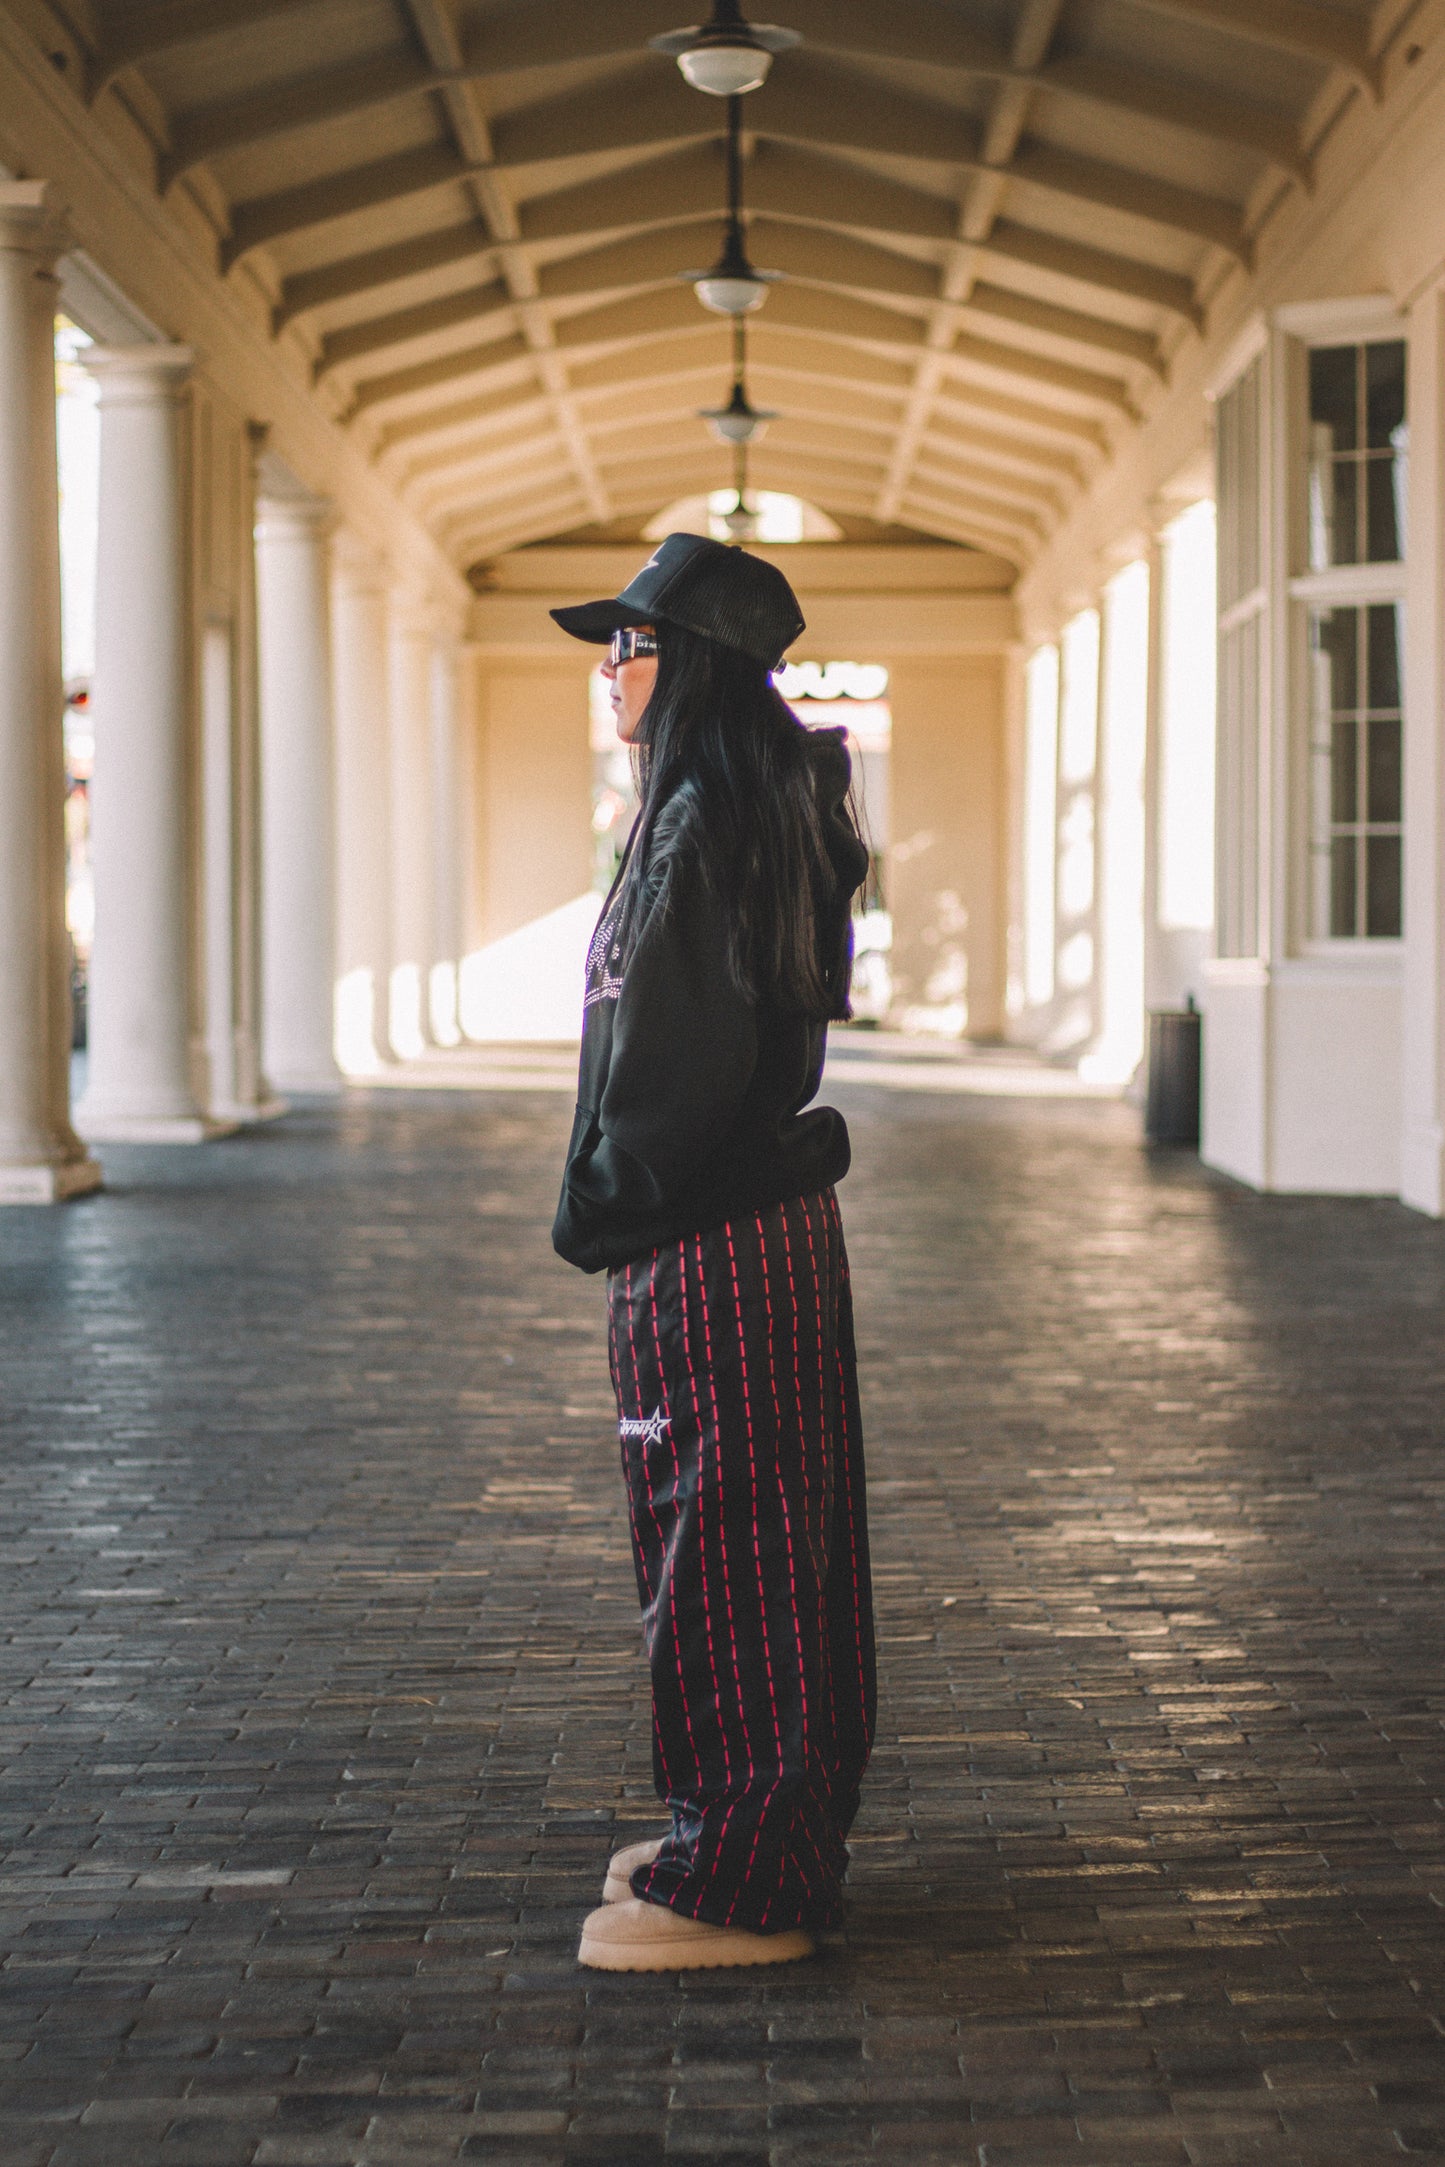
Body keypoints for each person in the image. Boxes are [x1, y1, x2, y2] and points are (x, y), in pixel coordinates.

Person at [549, 532, 876, 1973]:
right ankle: (752, 1830)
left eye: (626, 644)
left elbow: (674, 1061)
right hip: (759, 1229)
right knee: (768, 1542)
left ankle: (745, 1876)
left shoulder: (701, 823)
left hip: (707, 1234)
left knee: (726, 1543)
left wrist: (605, 1204)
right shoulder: (748, 804)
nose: (608, 669)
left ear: (689, 667)